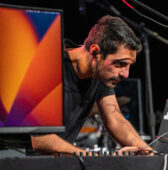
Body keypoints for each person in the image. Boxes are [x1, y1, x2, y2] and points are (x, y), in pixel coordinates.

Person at [31, 15, 152, 155]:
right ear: (95, 52)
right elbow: (38, 138)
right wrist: (92, 157)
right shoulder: (49, 65)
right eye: (120, 64)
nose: (125, 74)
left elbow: (114, 115)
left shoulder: (99, 72)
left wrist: (147, 151)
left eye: (129, 66)